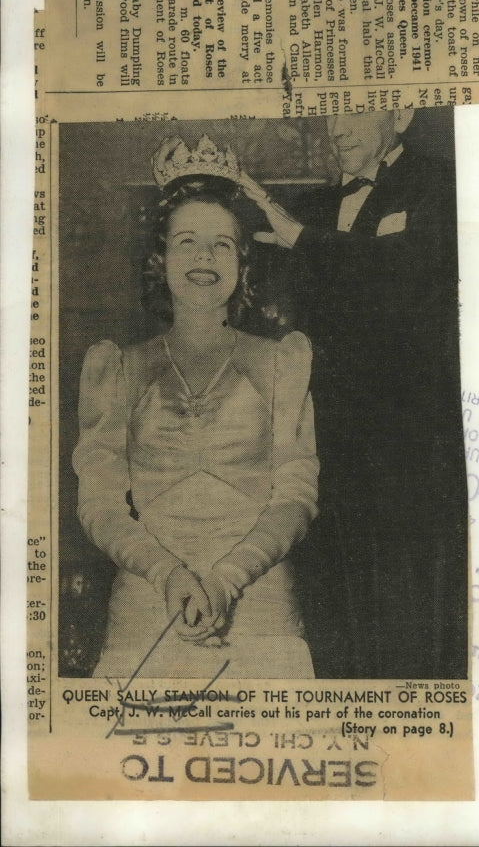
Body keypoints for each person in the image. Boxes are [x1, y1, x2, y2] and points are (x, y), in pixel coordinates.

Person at [72, 135, 319, 679]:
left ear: (242, 263)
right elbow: (100, 504)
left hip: (261, 612)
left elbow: (296, 497)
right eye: (187, 242)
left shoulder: (282, 362)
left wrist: (227, 579)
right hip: (146, 609)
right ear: (161, 260)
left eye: (221, 244)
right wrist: (170, 576)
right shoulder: (117, 368)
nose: (204, 258)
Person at [240, 111, 468, 680]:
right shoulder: (314, 212)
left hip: (406, 448)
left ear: (403, 113)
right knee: (330, 602)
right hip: (327, 444)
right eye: (330, 113)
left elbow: (413, 277)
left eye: (355, 109)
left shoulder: (440, 184)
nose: (337, 129)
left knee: (403, 606)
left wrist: (302, 242)